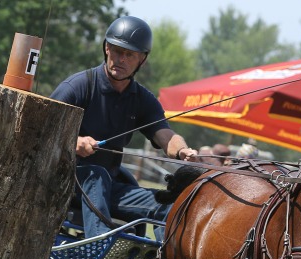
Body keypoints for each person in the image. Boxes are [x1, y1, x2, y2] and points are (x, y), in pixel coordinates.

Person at [49, 16, 198, 240]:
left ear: (142, 60)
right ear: (106, 49)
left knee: (169, 202)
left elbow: (165, 135)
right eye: (118, 51)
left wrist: (182, 151)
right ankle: (100, 249)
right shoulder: (78, 86)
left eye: (130, 55)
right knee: (95, 174)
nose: (121, 59)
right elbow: (43, 132)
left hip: (109, 188)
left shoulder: (142, 99)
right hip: (64, 184)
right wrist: (74, 142)